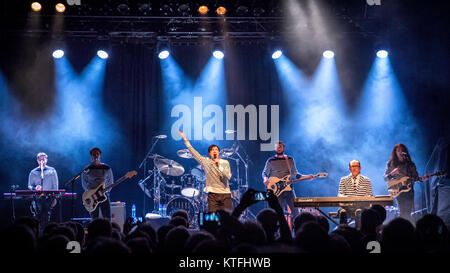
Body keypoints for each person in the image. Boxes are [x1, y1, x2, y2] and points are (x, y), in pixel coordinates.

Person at [177, 130, 232, 212]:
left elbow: (228, 176)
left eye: (216, 150)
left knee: (226, 214)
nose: (214, 152)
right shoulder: (205, 163)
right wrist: (185, 139)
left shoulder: (224, 163)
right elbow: (194, 153)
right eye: (212, 150)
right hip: (211, 193)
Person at [262, 141, 316, 221]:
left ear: (283, 148)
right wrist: (265, 179)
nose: (278, 148)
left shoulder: (289, 159)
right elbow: (264, 173)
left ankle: (296, 231)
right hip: (276, 191)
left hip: (289, 189)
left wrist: (307, 177)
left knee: (296, 212)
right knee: (278, 214)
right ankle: (279, 232)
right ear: (274, 148)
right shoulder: (270, 160)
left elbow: (296, 174)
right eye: (277, 146)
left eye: (280, 146)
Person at [384, 143, 428, 224]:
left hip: (409, 190)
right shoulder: (391, 164)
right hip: (398, 191)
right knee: (402, 210)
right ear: (395, 153)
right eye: (398, 150)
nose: (400, 152)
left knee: (408, 211)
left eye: (402, 150)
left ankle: (406, 228)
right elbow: (385, 178)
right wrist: (392, 173)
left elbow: (415, 178)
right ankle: (401, 228)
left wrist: (422, 179)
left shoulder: (410, 164)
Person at [27, 152, 59, 229]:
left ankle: (45, 233)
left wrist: (55, 198)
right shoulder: (33, 172)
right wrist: (35, 188)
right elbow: (29, 185)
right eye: (40, 159)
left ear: (46, 160)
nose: (42, 161)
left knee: (46, 216)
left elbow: (55, 186)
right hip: (37, 198)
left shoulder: (52, 170)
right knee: (37, 216)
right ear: (37, 160)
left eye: (43, 159)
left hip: (49, 197)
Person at [338, 160, 373, 227]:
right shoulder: (343, 180)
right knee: (342, 212)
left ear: (360, 168)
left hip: (361, 206)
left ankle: (359, 232)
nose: (354, 168)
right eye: (352, 166)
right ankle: (343, 232)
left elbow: (369, 195)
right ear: (349, 168)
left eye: (356, 166)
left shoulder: (366, 180)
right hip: (347, 207)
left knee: (359, 211)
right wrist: (350, 199)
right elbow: (340, 194)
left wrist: (359, 200)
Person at [81, 147, 114, 220]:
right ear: (91, 156)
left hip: (104, 195)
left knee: (107, 217)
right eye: (94, 154)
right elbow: (84, 182)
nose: (96, 155)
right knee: (94, 218)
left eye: (97, 154)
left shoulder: (106, 168)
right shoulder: (87, 168)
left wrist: (106, 191)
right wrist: (90, 192)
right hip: (92, 196)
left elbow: (110, 181)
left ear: (100, 155)